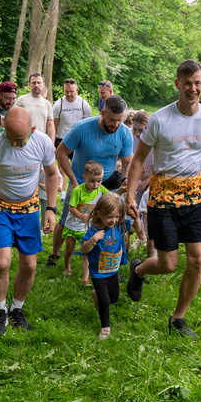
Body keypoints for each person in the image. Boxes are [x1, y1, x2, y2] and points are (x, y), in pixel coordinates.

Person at [125, 59, 201, 339]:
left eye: (197, 83)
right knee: (168, 264)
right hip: (163, 197)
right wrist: (132, 195)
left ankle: (178, 318)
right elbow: (138, 160)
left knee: (197, 260)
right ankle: (140, 269)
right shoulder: (160, 119)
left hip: (195, 196)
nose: (192, 89)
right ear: (177, 85)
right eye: (187, 83)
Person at [0, 107, 59, 337]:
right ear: (3, 125)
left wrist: (52, 209)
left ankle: (17, 309)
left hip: (28, 208)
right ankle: (0, 310)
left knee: (30, 265)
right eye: (10, 137)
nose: (14, 144)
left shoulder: (43, 142)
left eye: (20, 140)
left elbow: (53, 174)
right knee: (2, 262)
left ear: (33, 130)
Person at [46, 95, 133, 267]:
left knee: (117, 221)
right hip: (80, 180)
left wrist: (125, 179)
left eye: (119, 120)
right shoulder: (82, 128)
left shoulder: (123, 133)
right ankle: (55, 254)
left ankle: (113, 260)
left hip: (107, 181)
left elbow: (128, 160)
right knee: (66, 220)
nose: (115, 125)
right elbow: (61, 153)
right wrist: (73, 181)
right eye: (112, 120)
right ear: (102, 113)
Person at [81, 194, 132, 340]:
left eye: (117, 216)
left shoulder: (119, 225)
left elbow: (136, 227)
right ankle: (105, 327)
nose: (114, 220)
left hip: (113, 270)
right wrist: (93, 240)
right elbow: (84, 250)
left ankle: (96, 293)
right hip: (98, 272)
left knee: (113, 299)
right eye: (110, 217)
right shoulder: (93, 231)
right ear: (99, 214)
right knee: (104, 302)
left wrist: (134, 214)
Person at [63, 161, 108, 285]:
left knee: (86, 252)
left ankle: (86, 278)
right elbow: (71, 208)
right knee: (69, 250)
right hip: (73, 225)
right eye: (92, 181)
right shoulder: (78, 191)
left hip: (87, 228)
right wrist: (81, 215)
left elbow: (110, 197)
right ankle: (67, 266)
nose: (96, 184)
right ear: (84, 178)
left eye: (99, 181)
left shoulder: (101, 189)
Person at [15, 72, 56, 144]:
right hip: (24, 142)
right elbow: (15, 121)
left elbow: (50, 125)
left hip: (41, 142)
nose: (36, 85)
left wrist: (52, 144)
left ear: (43, 85)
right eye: (33, 83)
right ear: (29, 85)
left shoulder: (47, 104)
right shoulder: (21, 100)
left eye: (39, 83)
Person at [52, 78, 92, 149]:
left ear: (77, 90)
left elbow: (88, 125)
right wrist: (53, 143)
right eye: (66, 91)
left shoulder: (83, 104)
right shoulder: (58, 104)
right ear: (63, 89)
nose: (69, 94)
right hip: (62, 139)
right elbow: (54, 125)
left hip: (78, 139)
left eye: (71, 91)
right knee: (62, 159)